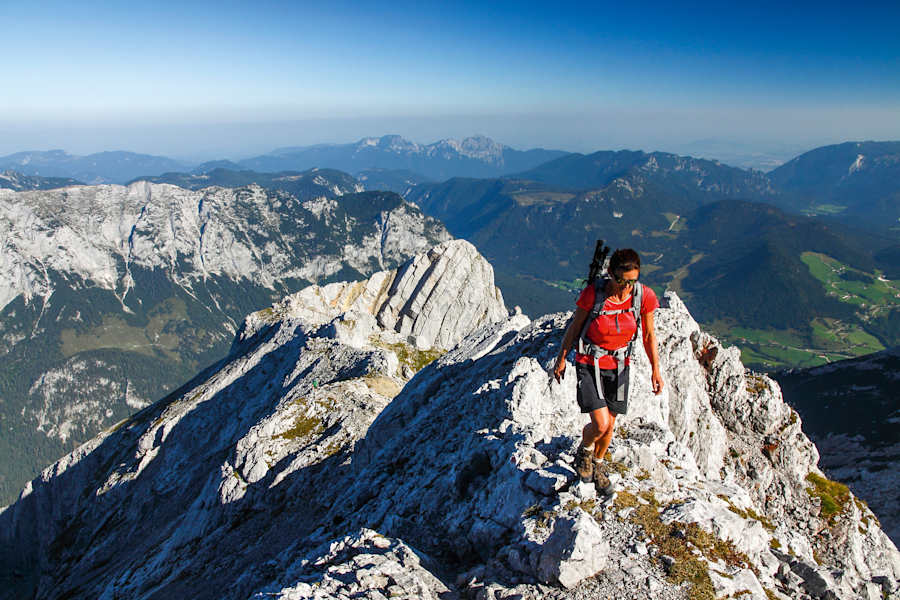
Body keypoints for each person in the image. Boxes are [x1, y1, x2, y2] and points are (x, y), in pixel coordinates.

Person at [553, 247, 663, 494]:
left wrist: (656, 370)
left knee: (611, 425)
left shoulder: (643, 297)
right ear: (611, 275)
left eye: (632, 281)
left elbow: (648, 335)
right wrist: (561, 358)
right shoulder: (594, 294)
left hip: (620, 364)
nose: (627, 286)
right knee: (601, 424)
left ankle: (598, 465)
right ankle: (585, 450)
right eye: (622, 280)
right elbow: (575, 327)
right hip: (589, 362)